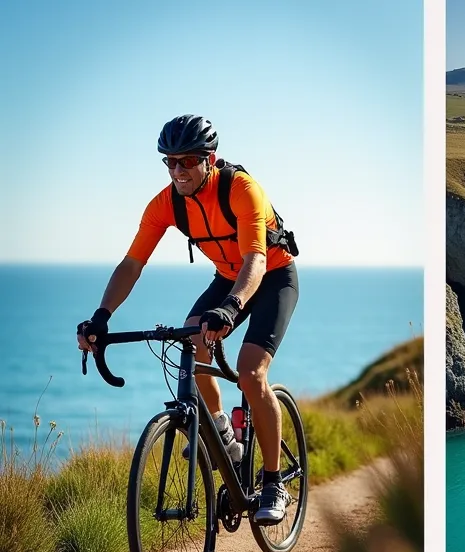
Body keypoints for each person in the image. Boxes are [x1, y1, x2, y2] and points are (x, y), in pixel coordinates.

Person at [76, 114, 299, 524]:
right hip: (227, 278)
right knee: (192, 343)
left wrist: (231, 308)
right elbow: (132, 263)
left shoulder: (242, 190)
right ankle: (223, 434)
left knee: (250, 374)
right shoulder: (166, 204)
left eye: (187, 161)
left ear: (209, 159)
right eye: (169, 162)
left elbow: (255, 259)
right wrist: (101, 316)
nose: (177, 170)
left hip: (271, 277)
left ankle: (273, 482)